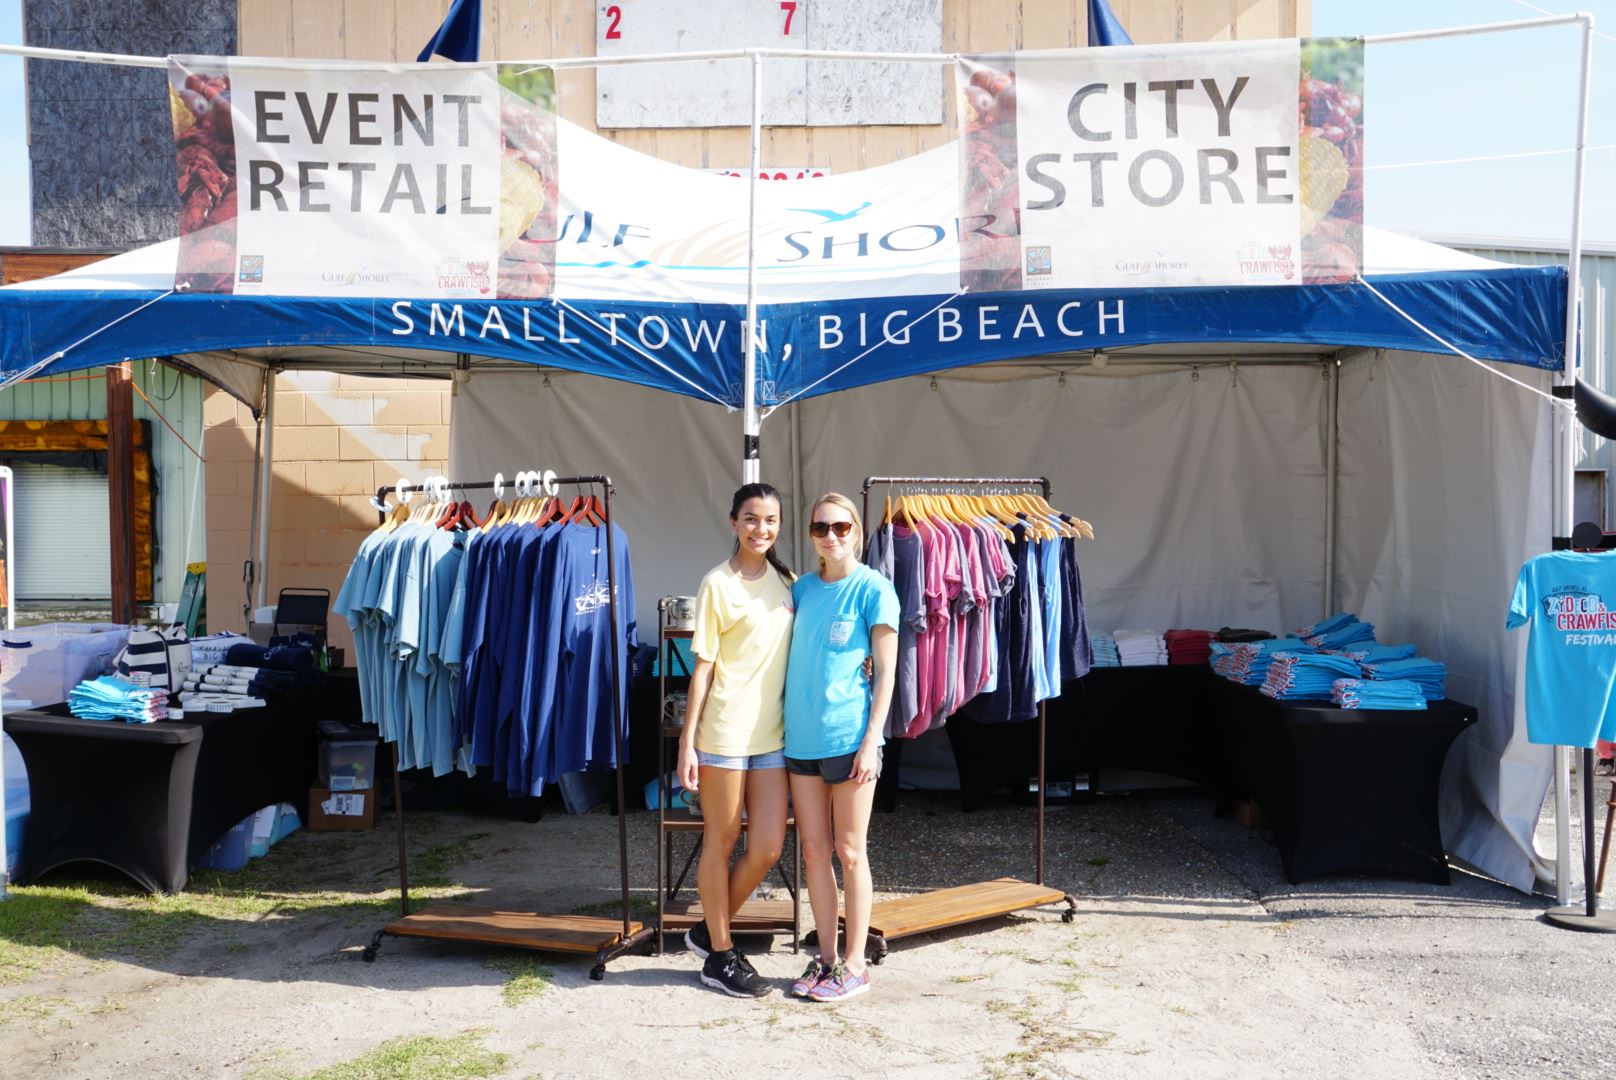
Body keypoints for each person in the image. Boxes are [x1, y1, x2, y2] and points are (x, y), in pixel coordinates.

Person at [678, 482, 796, 997]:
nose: (761, 528)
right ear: (733, 523)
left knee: (767, 846)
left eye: (770, 520)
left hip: (772, 736)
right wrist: (687, 743)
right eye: (751, 518)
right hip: (723, 732)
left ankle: (708, 929)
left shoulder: (789, 582)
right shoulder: (716, 585)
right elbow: (702, 668)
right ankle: (720, 956)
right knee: (721, 840)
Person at [783, 492, 899, 1003]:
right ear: (810, 534)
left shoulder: (874, 588)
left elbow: (888, 670)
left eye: (841, 527)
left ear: (857, 531)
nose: (831, 536)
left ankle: (855, 964)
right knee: (814, 851)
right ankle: (826, 958)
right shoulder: (802, 589)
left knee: (852, 851)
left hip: (850, 738)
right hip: (800, 739)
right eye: (821, 528)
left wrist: (872, 739)